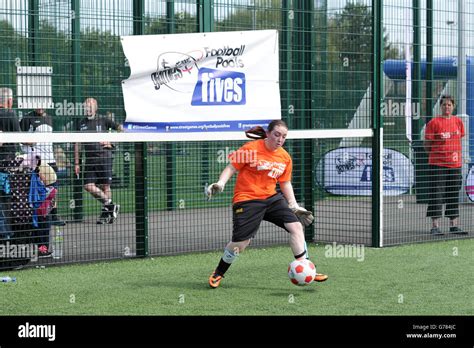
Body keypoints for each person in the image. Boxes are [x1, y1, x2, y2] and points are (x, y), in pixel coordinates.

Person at [206, 120, 328, 288]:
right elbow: (231, 168)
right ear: (269, 133)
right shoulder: (251, 149)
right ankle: (219, 272)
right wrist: (220, 183)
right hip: (247, 199)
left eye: (284, 136)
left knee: (296, 227)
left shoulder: (285, 157)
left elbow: (285, 183)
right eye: (277, 134)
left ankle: (305, 268)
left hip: (271, 198)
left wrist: (293, 205)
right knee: (241, 244)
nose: (280, 139)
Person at [74, 98, 122, 224]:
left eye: (90, 106)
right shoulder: (80, 123)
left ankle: (107, 214)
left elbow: (120, 129)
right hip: (89, 160)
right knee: (88, 186)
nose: (88, 109)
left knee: (105, 186)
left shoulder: (104, 119)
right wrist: (77, 162)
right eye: (86, 107)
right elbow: (77, 143)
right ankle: (111, 205)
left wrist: (112, 143)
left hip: (104, 157)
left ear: (96, 108)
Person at [424, 95, 467, 235]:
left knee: (453, 193)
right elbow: (427, 144)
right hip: (438, 164)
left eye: (449, 105)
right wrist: (436, 155)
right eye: (444, 105)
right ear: (440, 106)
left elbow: (459, 138)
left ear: (453, 106)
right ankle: (435, 226)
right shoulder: (434, 123)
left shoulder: (458, 122)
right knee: (437, 194)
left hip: (455, 164)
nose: (446, 107)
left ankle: (453, 225)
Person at [20, 107, 66, 226]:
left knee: (54, 190)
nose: (40, 107)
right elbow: (19, 138)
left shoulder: (50, 118)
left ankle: (53, 215)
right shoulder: (27, 118)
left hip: (51, 160)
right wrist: (30, 141)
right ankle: (38, 217)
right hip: (39, 162)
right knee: (39, 191)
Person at [0, 87, 20, 240]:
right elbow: (18, 136)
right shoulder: (10, 114)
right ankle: (7, 234)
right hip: (7, 162)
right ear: (9, 101)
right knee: (7, 198)